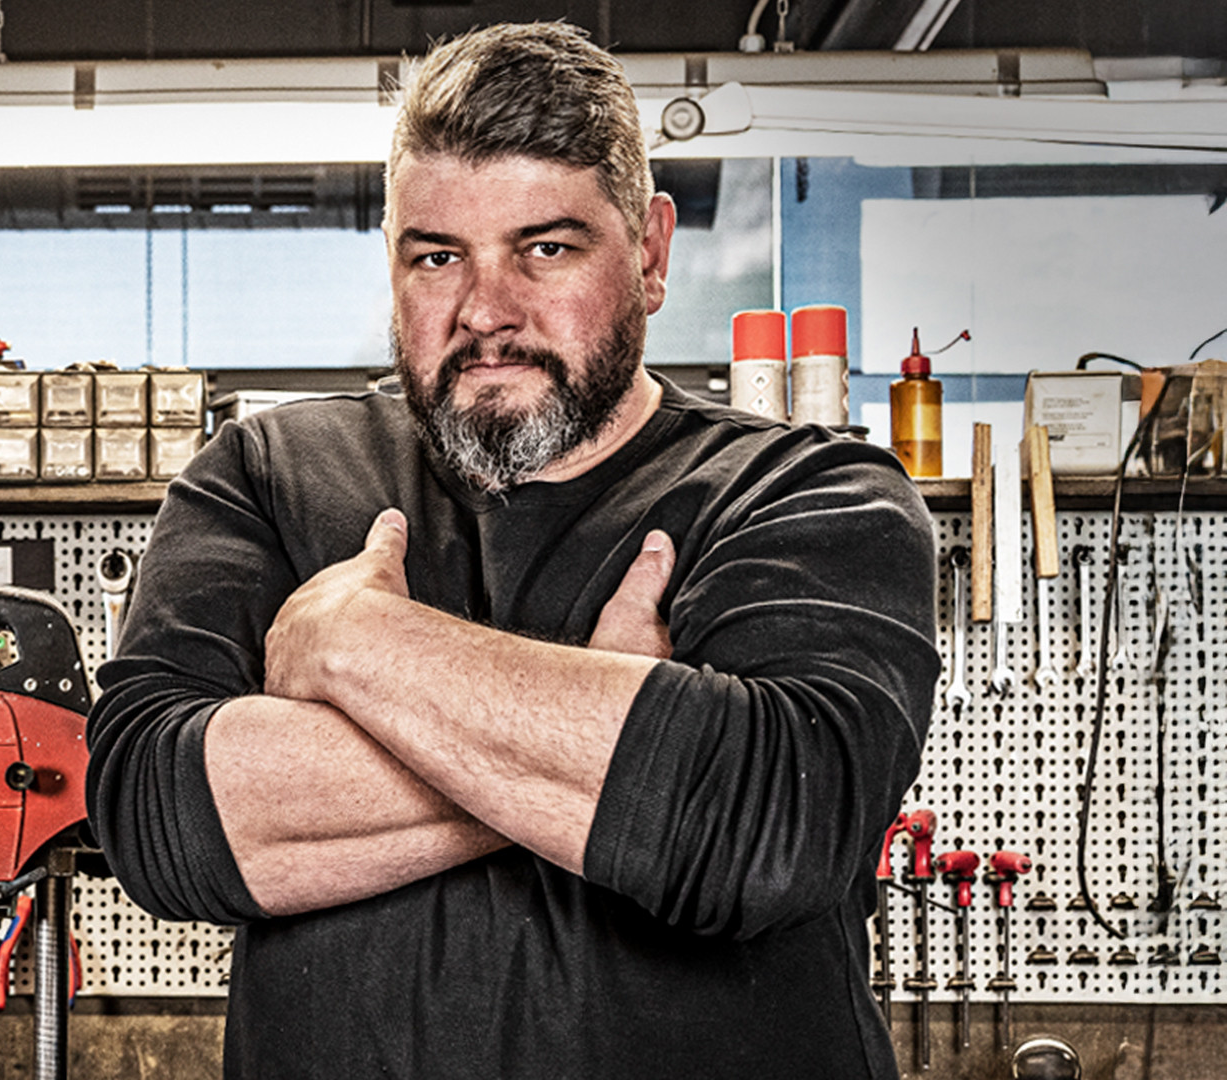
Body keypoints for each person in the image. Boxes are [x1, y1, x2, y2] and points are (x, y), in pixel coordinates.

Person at [86, 20, 939, 1079]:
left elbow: (762, 827)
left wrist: (357, 643)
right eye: (438, 256)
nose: (487, 309)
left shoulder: (805, 493)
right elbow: (161, 818)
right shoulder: (268, 476)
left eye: (547, 247)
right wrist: (617, 719)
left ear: (654, 252)